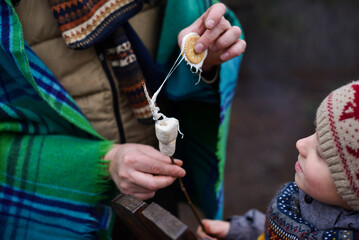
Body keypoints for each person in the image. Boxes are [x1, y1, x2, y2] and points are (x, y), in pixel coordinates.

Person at [0, 0, 245, 239]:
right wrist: (104, 161)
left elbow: (174, 54)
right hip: (64, 201)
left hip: (157, 177)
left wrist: (205, 59)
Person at [197, 80, 359, 240]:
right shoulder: (310, 195)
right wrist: (241, 230)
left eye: (320, 153)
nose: (300, 144)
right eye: (315, 132)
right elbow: (280, 231)